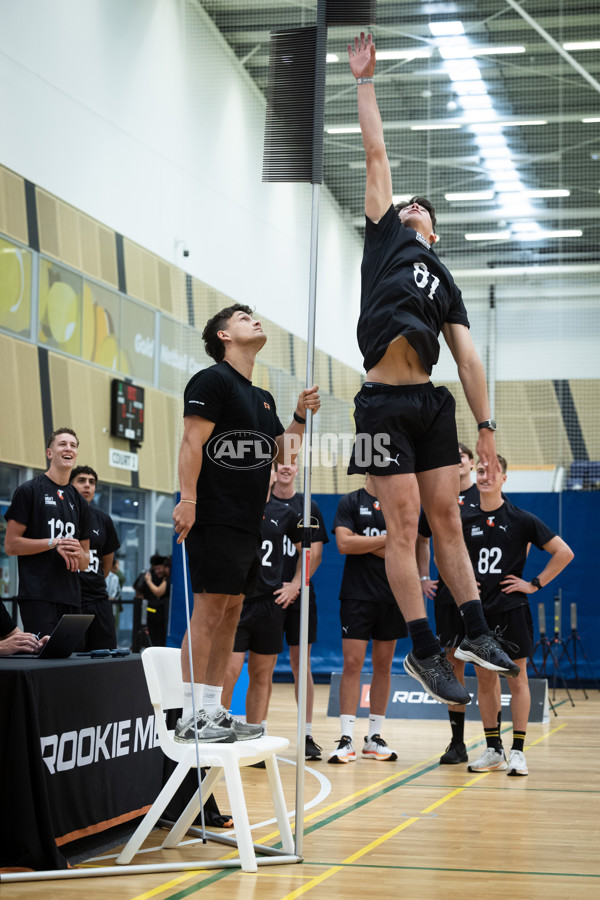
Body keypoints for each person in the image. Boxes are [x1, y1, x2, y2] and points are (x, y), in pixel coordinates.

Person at [345, 33, 517, 705]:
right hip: (380, 401)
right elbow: (377, 152)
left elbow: (468, 356)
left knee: (448, 518)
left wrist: (488, 428)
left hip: (433, 405)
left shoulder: (446, 282)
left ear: (437, 232)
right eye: (408, 202)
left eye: (424, 207)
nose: (413, 204)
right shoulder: (385, 235)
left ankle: (473, 631)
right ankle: (422, 648)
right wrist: (365, 81)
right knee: (404, 523)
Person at [172, 303, 320, 743]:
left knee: (231, 612)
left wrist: (297, 416)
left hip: (247, 523)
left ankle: (213, 709)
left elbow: (284, 453)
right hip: (214, 514)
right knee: (209, 610)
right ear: (224, 336)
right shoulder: (211, 380)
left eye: (254, 315)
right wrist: (188, 499)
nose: (254, 320)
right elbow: (191, 442)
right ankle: (188, 713)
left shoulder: (262, 397)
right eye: (242, 318)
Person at [463, 456, 573, 776]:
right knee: (485, 680)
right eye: (480, 471)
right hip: (478, 613)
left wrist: (534, 584)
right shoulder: (464, 518)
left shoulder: (521, 518)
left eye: (491, 472)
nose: (485, 477)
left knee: (517, 679)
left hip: (512, 610)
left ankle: (518, 751)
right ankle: (493, 749)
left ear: (504, 478)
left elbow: (564, 552)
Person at [416, 443, 494, 764]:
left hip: (480, 598)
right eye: (451, 458)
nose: (457, 463)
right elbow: (421, 538)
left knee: (487, 666)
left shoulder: (486, 497)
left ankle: (494, 743)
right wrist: (423, 576)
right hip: (447, 598)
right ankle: (457, 743)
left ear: (472, 463)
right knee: (452, 665)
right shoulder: (438, 499)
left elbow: (510, 539)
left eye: (461, 457)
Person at [329, 474, 406, 764]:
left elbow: (404, 546)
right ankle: (346, 738)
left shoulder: (399, 503)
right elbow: (344, 544)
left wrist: (364, 542)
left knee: (383, 666)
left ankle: (374, 737)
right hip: (357, 595)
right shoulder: (350, 501)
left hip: (392, 595)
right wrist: (387, 539)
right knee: (352, 664)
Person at [222, 467, 302, 732]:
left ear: (273, 476)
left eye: (269, 469)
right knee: (229, 672)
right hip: (238, 603)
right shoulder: (236, 507)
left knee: (261, 674)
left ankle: (255, 732)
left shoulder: (285, 513)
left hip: (270, 606)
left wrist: (297, 583)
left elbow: (309, 551)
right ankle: (218, 729)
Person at [4, 427, 91, 635]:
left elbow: (85, 561)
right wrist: (53, 543)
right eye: (62, 444)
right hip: (38, 596)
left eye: (73, 445)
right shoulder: (29, 490)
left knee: (70, 664)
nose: (68, 448)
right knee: (46, 661)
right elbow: (10, 545)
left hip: (71, 597)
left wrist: (79, 554)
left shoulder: (80, 502)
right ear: (49, 453)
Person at [271, 460, 329, 760]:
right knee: (260, 666)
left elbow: (315, 554)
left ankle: (306, 735)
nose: (286, 467)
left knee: (300, 665)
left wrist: (296, 584)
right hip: (264, 595)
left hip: (300, 594)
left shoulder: (309, 506)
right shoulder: (261, 501)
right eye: (280, 461)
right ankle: (255, 730)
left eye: (292, 462)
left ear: (299, 468)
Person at [70, 465, 120, 650]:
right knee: (73, 659)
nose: (87, 486)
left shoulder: (103, 520)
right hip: (71, 599)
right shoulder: (60, 516)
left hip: (98, 599)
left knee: (105, 654)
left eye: (92, 482)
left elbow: (107, 564)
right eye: (81, 481)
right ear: (70, 485)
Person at [140, 554, 171, 647]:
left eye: (163, 568)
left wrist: (149, 581)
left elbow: (158, 592)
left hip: (165, 614)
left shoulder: (169, 578)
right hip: (153, 612)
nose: (158, 571)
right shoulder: (156, 576)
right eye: (155, 569)